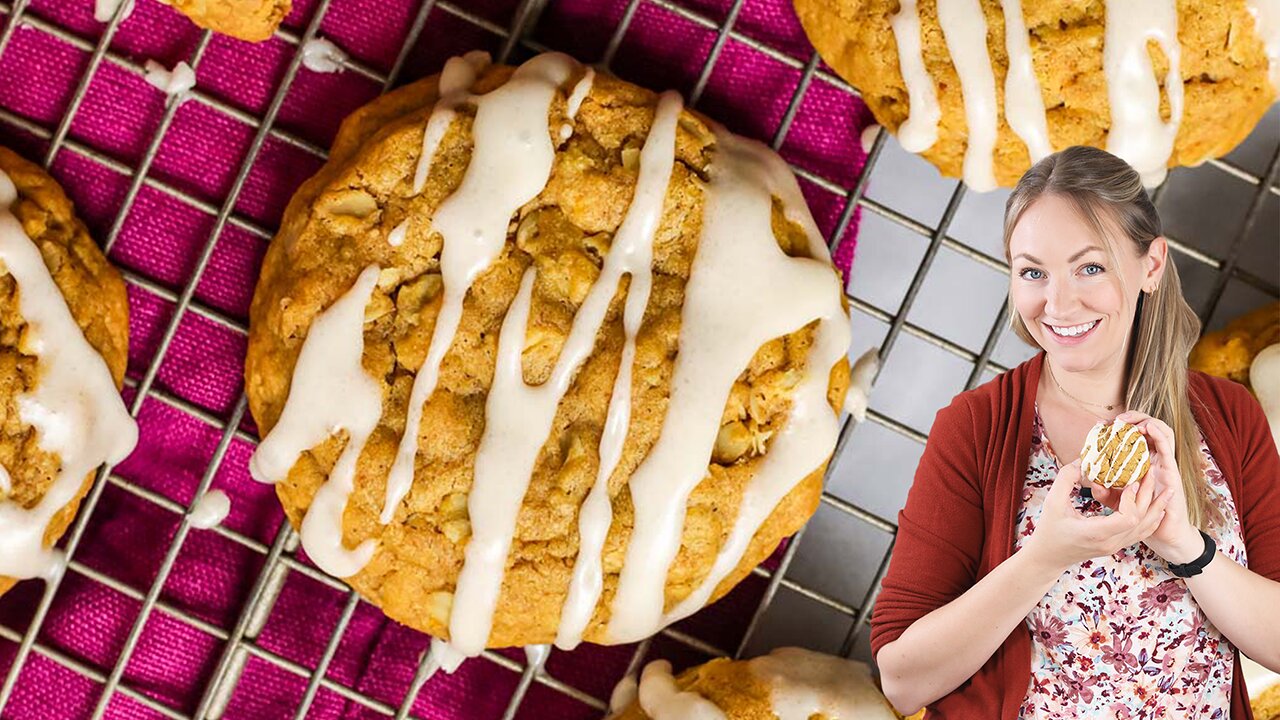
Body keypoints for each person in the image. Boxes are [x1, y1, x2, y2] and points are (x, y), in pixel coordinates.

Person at [870, 145, 1280, 718]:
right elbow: (902, 680)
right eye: (1033, 272)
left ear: (1151, 265)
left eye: (1090, 266)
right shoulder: (977, 428)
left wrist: (1185, 546)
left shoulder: (1227, 416)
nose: (1058, 303)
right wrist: (1045, 555)